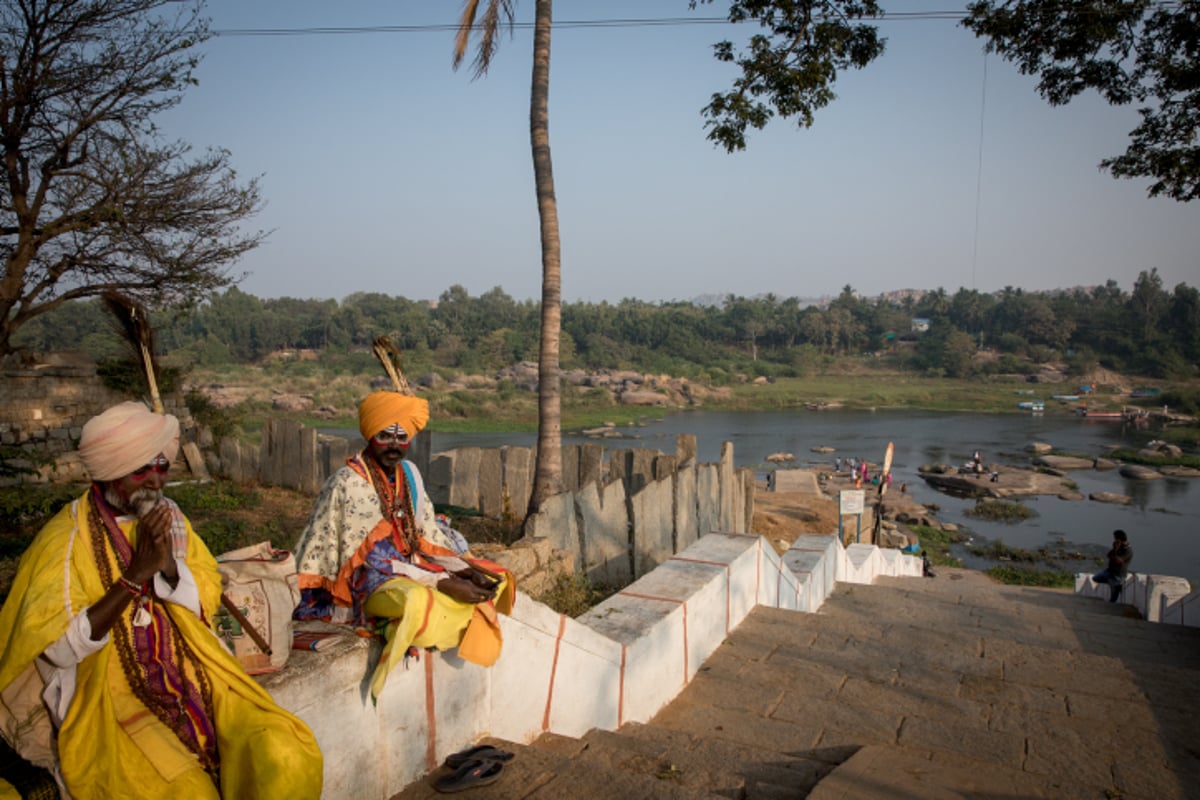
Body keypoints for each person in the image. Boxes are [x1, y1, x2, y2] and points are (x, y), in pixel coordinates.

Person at [0, 402, 323, 800]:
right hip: (108, 692)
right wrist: (135, 577)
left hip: (191, 668)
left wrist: (169, 566)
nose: (155, 482)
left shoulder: (170, 516)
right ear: (108, 473)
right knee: (186, 792)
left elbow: (206, 587)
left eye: (162, 468)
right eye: (141, 470)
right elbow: (59, 650)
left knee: (285, 751)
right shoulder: (64, 540)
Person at [293, 391, 515, 700]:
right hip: (362, 579)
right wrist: (442, 582)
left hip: (413, 564)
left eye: (402, 438)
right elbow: (370, 559)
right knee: (415, 602)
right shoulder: (350, 481)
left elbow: (426, 535)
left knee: (498, 578)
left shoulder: (409, 474)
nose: (395, 446)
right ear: (371, 435)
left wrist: (464, 570)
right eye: (386, 436)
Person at [1092, 529, 1134, 603]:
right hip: (1110, 571)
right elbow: (1108, 555)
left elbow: (1118, 561)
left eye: (1115, 538)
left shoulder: (1128, 550)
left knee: (1113, 599)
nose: (1114, 540)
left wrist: (1115, 551)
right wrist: (1114, 549)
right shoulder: (1118, 546)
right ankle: (1110, 582)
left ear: (1119, 539)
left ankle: (1116, 586)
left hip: (1118, 575)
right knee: (1096, 578)